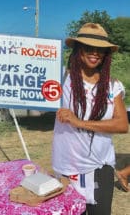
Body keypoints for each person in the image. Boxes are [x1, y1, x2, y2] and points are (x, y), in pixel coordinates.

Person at [52, 23, 128, 215]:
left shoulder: (113, 86)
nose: (95, 53)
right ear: (78, 50)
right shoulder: (60, 78)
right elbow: (21, 79)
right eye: (88, 47)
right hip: (66, 166)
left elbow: (121, 125)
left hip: (98, 166)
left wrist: (79, 122)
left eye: (100, 49)